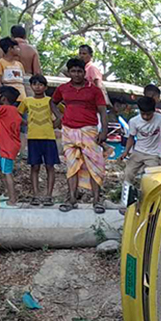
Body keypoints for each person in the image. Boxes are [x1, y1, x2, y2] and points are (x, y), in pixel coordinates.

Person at [50, 58, 110, 213]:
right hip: (68, 131)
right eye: (73, 71)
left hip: (89, 131)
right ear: (69, 72)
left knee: (95, 166)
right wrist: (60, 117)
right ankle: (71, 199)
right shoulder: (63, 88)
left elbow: (103, 111)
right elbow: (52, 102)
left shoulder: (94, 90)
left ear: (84, 72)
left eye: (79, 71)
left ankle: (97, 200)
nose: (76, 74)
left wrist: (104, 131)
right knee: (72, 166)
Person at [122, 97, 161, 202]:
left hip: (153, 154)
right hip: (138, 152)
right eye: (143, 114)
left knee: (151, 178)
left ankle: (148, 199)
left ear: (154, 111)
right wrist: (125, 152)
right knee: (128, 173)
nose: (145, 116)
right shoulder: (134, 121)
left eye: (148, 114)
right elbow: (131, 137)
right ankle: (125, 200)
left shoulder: (160, 118)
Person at [21, 75, 59, 205]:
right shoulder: (27, 101)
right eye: (35, 84)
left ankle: (49, 195)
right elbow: (17, 113)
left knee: (50, 166)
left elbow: (61, 114)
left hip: (49, 137)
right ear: (31, 86)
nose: (38, 87)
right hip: (33, 137)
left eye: (41, 84)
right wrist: (25, 122)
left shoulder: (50, 101)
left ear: (45, 87)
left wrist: (55, 124)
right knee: (34, 166)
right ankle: (35, 195)